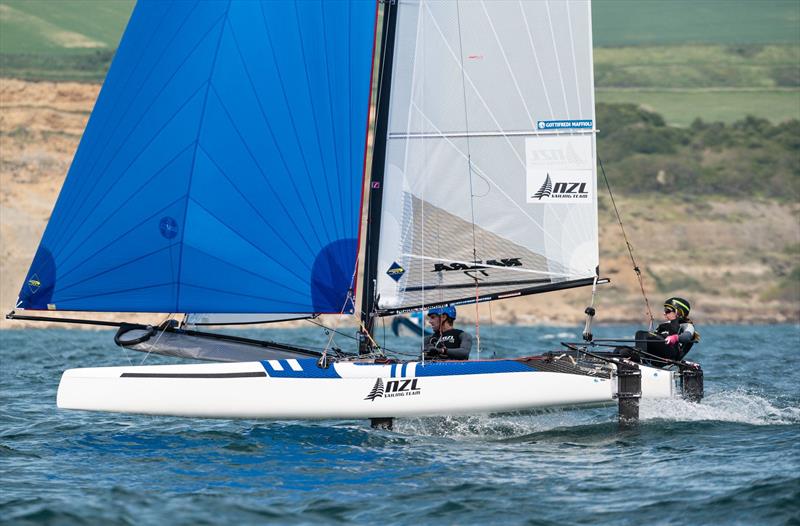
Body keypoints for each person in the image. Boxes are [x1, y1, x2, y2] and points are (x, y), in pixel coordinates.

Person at [635, 297, 700, 363]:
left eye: (667, 310)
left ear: (678, 312)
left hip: (671, 352)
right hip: (658, 351)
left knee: (640, 333)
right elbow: (654, 336)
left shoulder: (687, 325)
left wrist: (675, 338)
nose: (664, 313)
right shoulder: (663, 325)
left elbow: (687, 336)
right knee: (625, 350)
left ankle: (641, 361)